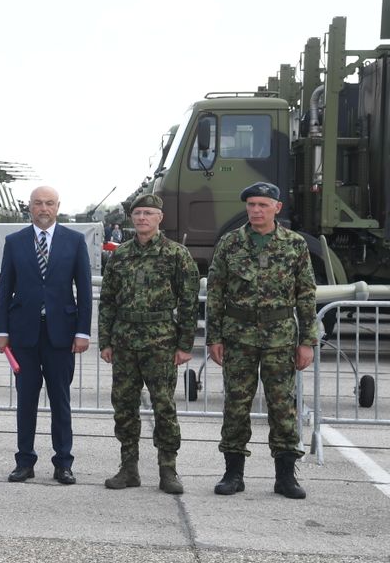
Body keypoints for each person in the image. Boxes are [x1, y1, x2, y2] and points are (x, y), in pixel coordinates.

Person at [207, 182, 316, 499]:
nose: (256, 210)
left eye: (263, 205)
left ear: (277, 208)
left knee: (283, 406)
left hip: (279, 337)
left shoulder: (294, 245)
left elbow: (307, 296)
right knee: (236, 405)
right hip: (238, 336)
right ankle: (233, 474)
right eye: (252, 204)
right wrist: (213, 337)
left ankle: (285, 477)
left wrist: (307, 341)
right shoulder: (230, 244)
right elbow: (215, 293)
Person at [97, 193, 198, 494]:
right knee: (124, 407)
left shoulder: (176, 254)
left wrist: (184, 344)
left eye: (148, 213)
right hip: (125, 341)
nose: (142, 218)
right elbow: (107, 302)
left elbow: (190, 302)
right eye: (138, 213)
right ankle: (128, 469)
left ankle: (168, 470)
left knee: (164, 406)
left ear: (159, 218)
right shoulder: (121, 255)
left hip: (161, 342)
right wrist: (106, 340)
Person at [0, 185, 92, 485]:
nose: (44, 209)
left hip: (61, 336)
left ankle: (63, 462)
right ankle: (25, 461)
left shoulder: (74, 242)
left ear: (58, 207)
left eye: (49, 203)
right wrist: (1, 330)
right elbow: (5, 287)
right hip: (23, 336)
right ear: (30, 208)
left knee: (60, 401)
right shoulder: (14, 242)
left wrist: (83, 332)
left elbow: (84, 291)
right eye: (38, 203)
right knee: (26, 401)